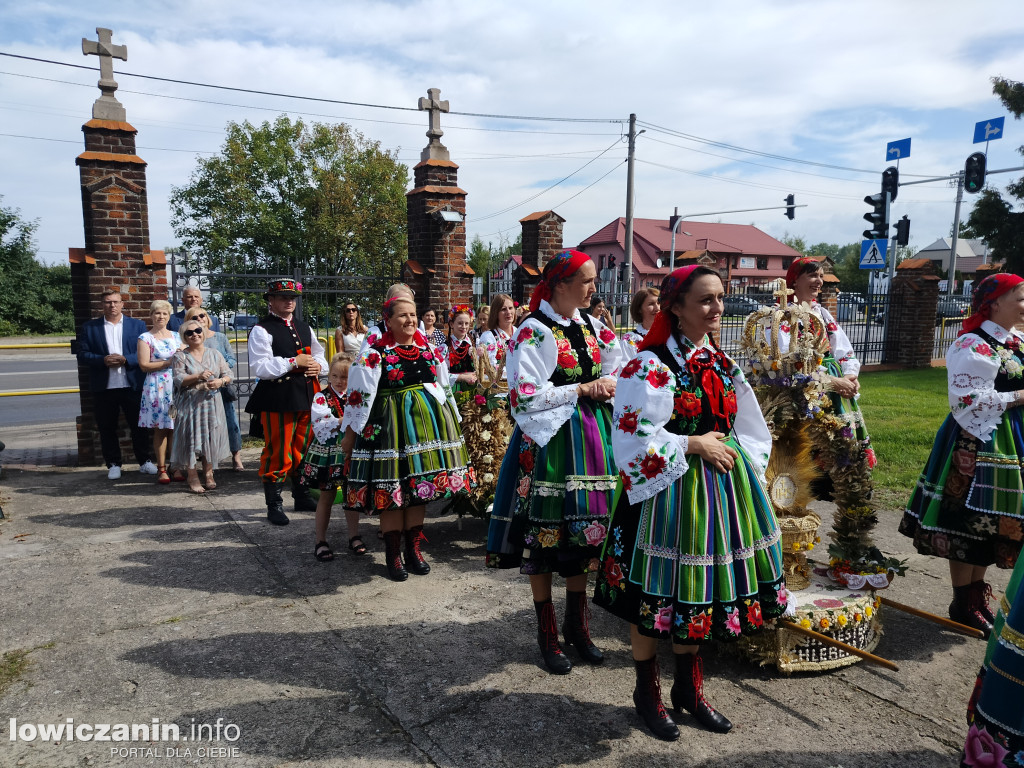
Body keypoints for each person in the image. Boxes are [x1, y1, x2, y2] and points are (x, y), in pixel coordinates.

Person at [594, 265, 786, 740]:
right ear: (675, 307)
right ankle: (647, 692)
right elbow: (632, 435)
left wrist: (745, 465)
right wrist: (694, 444)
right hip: (665, 494)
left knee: (695, 592)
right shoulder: (649, 364)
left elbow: (749, 424)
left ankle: (689, 689)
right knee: (654, 597)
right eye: (706, 300)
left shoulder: (721, 361)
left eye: (720, 298)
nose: (717, 308)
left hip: (719, 491)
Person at [486, 249, 622, 675]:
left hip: (592, 440)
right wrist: (582, 390)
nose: (593, 288)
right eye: (586, 280)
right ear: (561, 284)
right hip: (550, 443)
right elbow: (523, 395)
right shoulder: (533, 330)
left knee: (583, 538)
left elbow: (618, 366)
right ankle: (547, 634)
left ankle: (578, 628)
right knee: (544, 539)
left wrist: (608, 385)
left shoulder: (592, 325)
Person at [900, 273, 1024, 637]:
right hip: (977, 438)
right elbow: (967, 400)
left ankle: (976, 596)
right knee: (968, 520)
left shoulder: (1015, 341)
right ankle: (962, 602)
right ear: (995, 302)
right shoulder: (973, 344)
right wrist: (1020, 398)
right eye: (1020, 297)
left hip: (1011, 438)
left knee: (993, 521)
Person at [340, 295, 474, 581]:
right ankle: (393, 555)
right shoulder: (374, 354)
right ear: (388, 320)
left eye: (413, 315)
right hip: (388, 430)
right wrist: (349, 439)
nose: (411, 321)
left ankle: (414, 550)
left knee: (419, 491)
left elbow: (443, 389)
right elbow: (358, 400)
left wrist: (454, 422)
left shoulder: (430, 351)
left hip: (424, 431)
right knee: (391, 493)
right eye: (403, 316)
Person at [246, 279, 328, 525]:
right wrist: (294, 362)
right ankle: (274, 504)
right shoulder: (262, 329)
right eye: (283, 297)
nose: (289, 301)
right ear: (270, 300)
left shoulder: (305, 327)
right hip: (278, 398)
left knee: (303, 448)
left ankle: (301, 495)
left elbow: (321, 357)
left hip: (306, 394)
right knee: (279, 451)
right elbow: (260, 367)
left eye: (292, 298)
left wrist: (316, 365)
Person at [77, 287, 156, 479]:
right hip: (104, 386)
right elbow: (82, 354)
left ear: (122, 304)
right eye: (108, 302)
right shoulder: (90, 327)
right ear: (102, 305)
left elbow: (147, 351)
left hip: (131, 384)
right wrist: (102, 360)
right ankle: (113, 464)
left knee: (139, 426)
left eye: (115, 302)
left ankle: (144, 461)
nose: (112, 305)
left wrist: (126, 359)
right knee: (107, 426)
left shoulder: (136, 326)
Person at [298, 354, 367, 561]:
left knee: (351, 495)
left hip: (351, 452)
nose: (338, 381)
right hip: (328, 453)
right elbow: (320, 424)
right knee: (326, 495)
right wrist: (343, 419)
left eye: (344, 377)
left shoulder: (357, 396)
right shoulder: (322, 397)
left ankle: (354, 535)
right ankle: (320, 540)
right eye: (334, 376)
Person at [170, 319, 232, 494]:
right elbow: (179, 379)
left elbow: (228, 374)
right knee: (191, 439)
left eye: (197, 330)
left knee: (210, 438)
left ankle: (209, 473)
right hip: (190, 404)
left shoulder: (214, 353)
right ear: (184, 337)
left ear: (203, 333)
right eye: (189, 333)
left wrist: (220, 381)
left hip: (212, 403)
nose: (194, 334)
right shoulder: (180, 356)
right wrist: (198, 376)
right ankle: (192, 475)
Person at [185, 307, 244, 471]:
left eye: (202, 315)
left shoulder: (220, 337)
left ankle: (236, 456)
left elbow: (231, 358)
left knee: (230, 421)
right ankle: (206, 460)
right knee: (205, 425)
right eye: (194, 317)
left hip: (221, 386)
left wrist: (219, 370)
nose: (199, 318)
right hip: (199, 390)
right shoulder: (190, 337)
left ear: (208, 317)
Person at [137, 300, 179, 484]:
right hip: (157, 387)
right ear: (151, 315)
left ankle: (175, 466)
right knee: (161, 429)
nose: (160, 317)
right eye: (157, 313)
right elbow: (144, 365)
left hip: (176, 387)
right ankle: (162, 469)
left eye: (164, 314)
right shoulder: (145, 338)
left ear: (169, 316)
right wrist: (169, 363)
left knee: (175, 428)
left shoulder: (177, 336)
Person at [478, 294, 517, 380]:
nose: (508, 312)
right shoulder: (488, 336)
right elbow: (488, 368)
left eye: (510, 308)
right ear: (496, 313)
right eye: (503, 309)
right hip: (499, 386)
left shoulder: (519, 332)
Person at [620, 287, 660, 362]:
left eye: (659, 303)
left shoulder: (671, 335)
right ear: (639, 309)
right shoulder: (630, 340)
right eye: (651, 304)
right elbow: (624, 369)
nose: (657, 308)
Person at [446, 305, 478, 395]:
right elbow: (441, 375)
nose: (464, 327)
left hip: (472, 389)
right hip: (454, 391)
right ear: (452, 324)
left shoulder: (472, 344)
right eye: (460, 323)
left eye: (466, 323)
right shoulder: (445, 348)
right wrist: (462, 377)